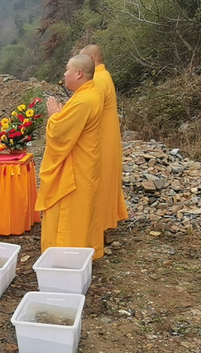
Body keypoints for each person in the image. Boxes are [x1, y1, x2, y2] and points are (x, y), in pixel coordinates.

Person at [35, 54, 104, 259]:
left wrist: (54, 116)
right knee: (82, 212)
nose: (64, 74)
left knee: (70, 213)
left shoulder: (83, 100)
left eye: (67, 69)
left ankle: (66, 256)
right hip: (85, 164)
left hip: (75, 170)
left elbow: (59, 134)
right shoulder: (89, 93)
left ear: (79, 73)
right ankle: (80, 251)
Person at [80, 44, 129, 233]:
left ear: (92, 59)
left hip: (100, 141)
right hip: (107, 138)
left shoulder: (98, 79)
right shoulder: (104, 75)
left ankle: (97, 226)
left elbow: (89, 109)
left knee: (99, 182)